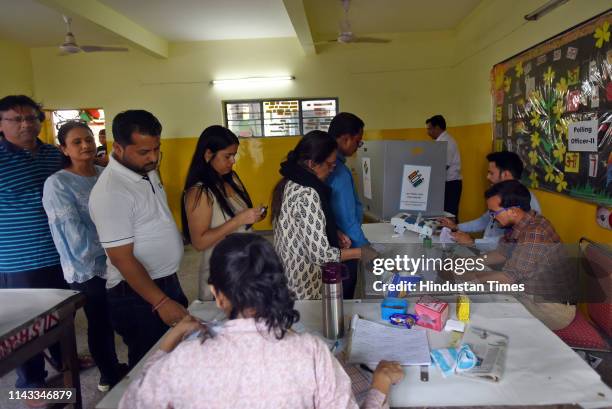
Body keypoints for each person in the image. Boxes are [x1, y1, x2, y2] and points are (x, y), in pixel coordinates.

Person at [118, 233, 404, 409]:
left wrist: (171, 339)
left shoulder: (184, 360)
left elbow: (132, 402)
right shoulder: (310, 352)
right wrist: (379, 385)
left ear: (217, 294)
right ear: (277, 285)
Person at [89, 110, 188, 368]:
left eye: (157, 148)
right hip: (136, 294)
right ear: (119, 148)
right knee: (149, 363)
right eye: (144, 152)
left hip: (165, 280)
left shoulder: (146, 171)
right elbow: (122, 259)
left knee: (174, 357)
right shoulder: (112, 191)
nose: (153, 157)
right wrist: (162, 302)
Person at [42, 121, 126, 392]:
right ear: (63, 149)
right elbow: (71, 233)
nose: (86, 145)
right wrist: (111, 250)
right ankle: (108, 374)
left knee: (119, 315)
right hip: (87, 265)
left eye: (88, 139)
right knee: (99, 320)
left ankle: (116, 365)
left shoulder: (105, 174)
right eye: (76, 142)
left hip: (119, 258)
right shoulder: (58, 183)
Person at [0, 95, 68, 392]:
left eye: (31, 118)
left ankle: (66, 363)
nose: (26, 124)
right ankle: (31, 384)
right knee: (26, 326)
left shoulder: (53, 154)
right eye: (16, 119)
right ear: (1, 124)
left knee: (61, 314)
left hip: (60, 253)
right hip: (18, 260)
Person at [454, 180, 576, 331]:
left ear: (513, 210)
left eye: (494, 213)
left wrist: (470, 277)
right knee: (481, 289)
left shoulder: (534, 232)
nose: (492, 218)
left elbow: (509, 277)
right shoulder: (520, 223)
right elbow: (501, 253)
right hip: (529, 291)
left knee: (486, 310)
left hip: (553, 309)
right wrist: (467, 264)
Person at [272, 130, 363, 300]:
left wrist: (333, 231)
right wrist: (361, 252)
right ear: (312, 163)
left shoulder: (291, 181)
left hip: (288, 277)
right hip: (304, 287)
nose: (331, 170)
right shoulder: (308, 193)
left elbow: (302, 224)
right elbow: (322, 255)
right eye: (329, 165)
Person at [182, 125, 265, 300]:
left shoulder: (231, 178)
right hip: (221, 275)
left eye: (234, 155)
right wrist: (238, 220)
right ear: (208, 155)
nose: (233, 161)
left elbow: (239, 215)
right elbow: (199, 242)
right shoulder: (200, 192)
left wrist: (254, 216)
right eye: (227, 156)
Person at [439, 151, 541, 251]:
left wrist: (473, 242)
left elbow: (512, 243)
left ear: (506, 174)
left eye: (491, 173)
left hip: (503, 261)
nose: (487, 177)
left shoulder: (525, 199)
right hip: (489, 255)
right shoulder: (499, 195)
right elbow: (485, 220)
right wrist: (456, 227)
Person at [327, 112, 369, 299]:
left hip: (337, 239)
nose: (358, 147)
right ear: (345, 139)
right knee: (343, 298)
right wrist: (365, 249)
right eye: (357, 142)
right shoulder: (338, 172)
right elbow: (347, 218)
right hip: (345, 246)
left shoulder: (333, 167)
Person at [426, 115, 462, 219]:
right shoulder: (441, 141)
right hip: (446, 183)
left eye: (429, 129)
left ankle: (454, 235)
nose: (427, 132)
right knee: (444, 215)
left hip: (451, 184)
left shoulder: (446, 142)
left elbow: (442, 166)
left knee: (449, 215)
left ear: (437, 128)